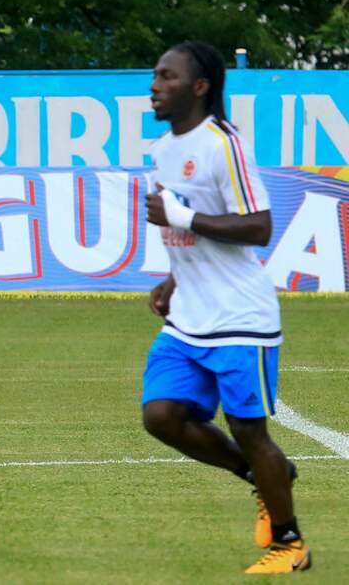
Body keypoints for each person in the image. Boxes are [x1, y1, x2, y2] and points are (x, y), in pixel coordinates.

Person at [142, 41, 309, 574]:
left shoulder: (223, 145)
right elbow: (189, 221)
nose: (155, 85)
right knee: (161, 416)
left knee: (248, 429)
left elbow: (258, 227)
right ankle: (264, 475)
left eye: (167, 77)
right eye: (154, 76)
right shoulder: (164, 148)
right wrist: (173, 276)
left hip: (240, 317)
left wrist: (182, 219)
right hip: (189, 313)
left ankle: (290, 545)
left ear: (199, 86)